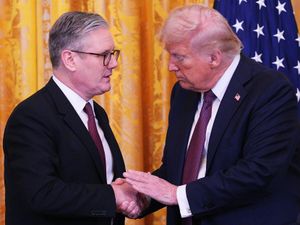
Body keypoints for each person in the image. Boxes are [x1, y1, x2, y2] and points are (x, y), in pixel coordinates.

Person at [124, 4, 300, 225]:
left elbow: (259, 173)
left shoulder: (269, 90)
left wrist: (177, 195)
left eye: (179, 57)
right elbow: (179, 169)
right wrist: (141, 195)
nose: (170, 66)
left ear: (214, 58)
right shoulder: (183, 92)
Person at [3, 11, 141, 225]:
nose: (113, 63)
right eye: (104, 55)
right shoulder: (31, 117)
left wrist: (128, 197)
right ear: (70, 59)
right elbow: (41, 194)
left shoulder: (97, 113)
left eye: (114, 53)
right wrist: (113, 196)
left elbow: (104, 181)